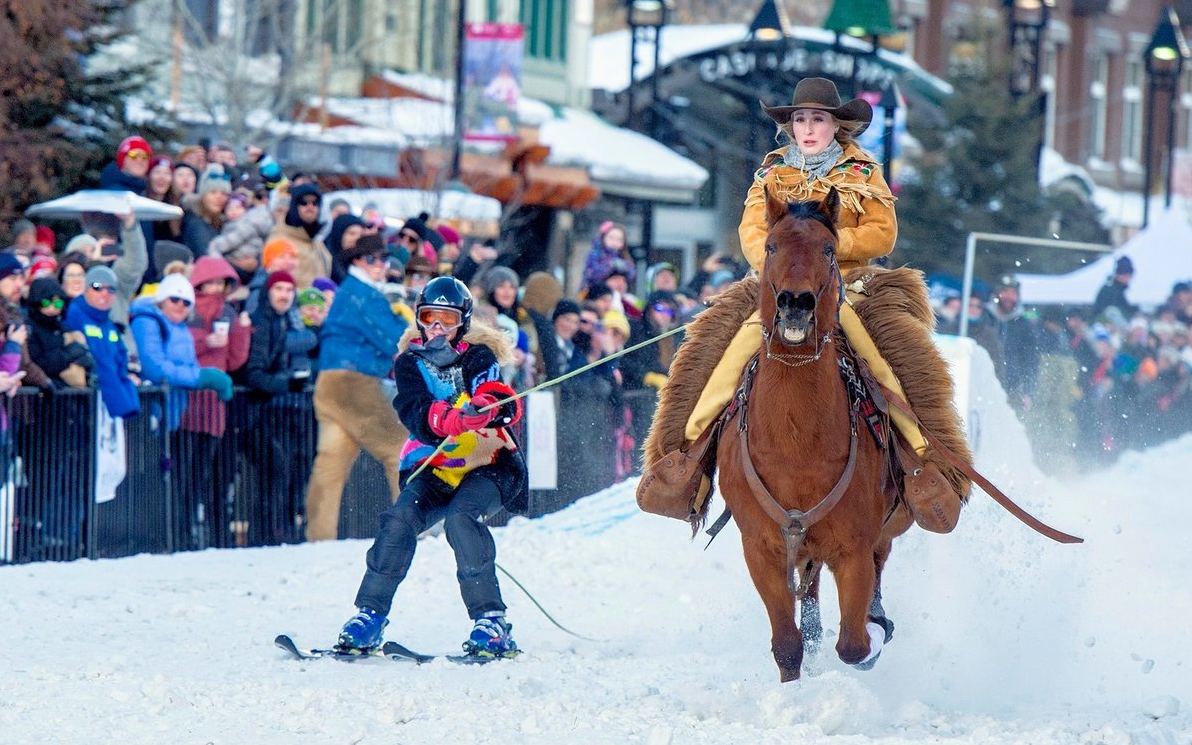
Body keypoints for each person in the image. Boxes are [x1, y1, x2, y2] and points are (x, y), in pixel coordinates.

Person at [639, 77, 970, 534]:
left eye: (817, 119)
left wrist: (828, 248)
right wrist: (784, 260)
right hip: (778, 287)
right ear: (789, 125)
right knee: (722, 351)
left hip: (849, 282)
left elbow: (883, 233)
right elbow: (752, 233)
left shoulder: (862, 171)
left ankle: (926, 465)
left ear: (837, 126)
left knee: (884, 353)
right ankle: (687, 462)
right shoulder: (771, 173)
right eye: (800, 119)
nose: (808, 127)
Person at [335, 276, 526, 658]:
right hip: (436, 465)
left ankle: (491, 620)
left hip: (489, 465)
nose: (437, 328)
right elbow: (414, 411)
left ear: (464, 323)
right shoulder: (409, 363)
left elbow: (499, 399)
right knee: (399, 519)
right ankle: (369, 615)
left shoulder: (478, 356)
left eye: (447, 320)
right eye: (429, 318)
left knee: (461, 519)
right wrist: (450, 419)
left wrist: (483, 407)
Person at [303, 233, 410, 541]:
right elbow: (393, 339)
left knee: (331, 462)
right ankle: (418, 524)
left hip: (330, 382)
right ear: (359, 262)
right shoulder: (363, 294)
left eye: (385, 260)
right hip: (354, 381)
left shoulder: (351, 292)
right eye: (375, 259)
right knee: (400, 451)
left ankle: (319, 536)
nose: (381, 265)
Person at [63, 266, 140, 418]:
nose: (104, 293)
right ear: (86, 288)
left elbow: (120, 356)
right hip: (84, 403)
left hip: (109, 404)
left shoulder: (108, 323)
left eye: (111, 289)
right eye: (97, 287)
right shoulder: (75, 315)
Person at [1093, 256, 1139, 320]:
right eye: (1127, 276)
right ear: (1119, 275)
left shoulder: (1119, 290)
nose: (1128, 279)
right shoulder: (1110, 291)